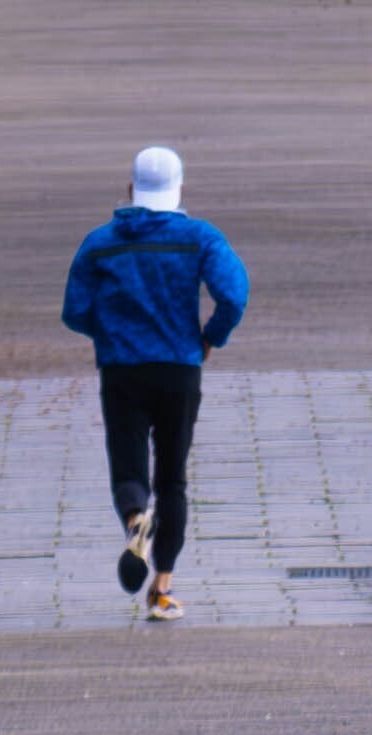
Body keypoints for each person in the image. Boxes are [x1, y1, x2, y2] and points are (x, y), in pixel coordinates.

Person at [61, 145, 249, 620]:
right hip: (179, 370)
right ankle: (162, 590)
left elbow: (74, 311)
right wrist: (211, 338)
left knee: (129, 471)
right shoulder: (199, 238)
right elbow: (234, 293)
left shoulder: (99, 242)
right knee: (173, 479)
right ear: (179, 189)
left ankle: (134, 520)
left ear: (130, 190)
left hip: (123, 369)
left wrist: (108, 335)